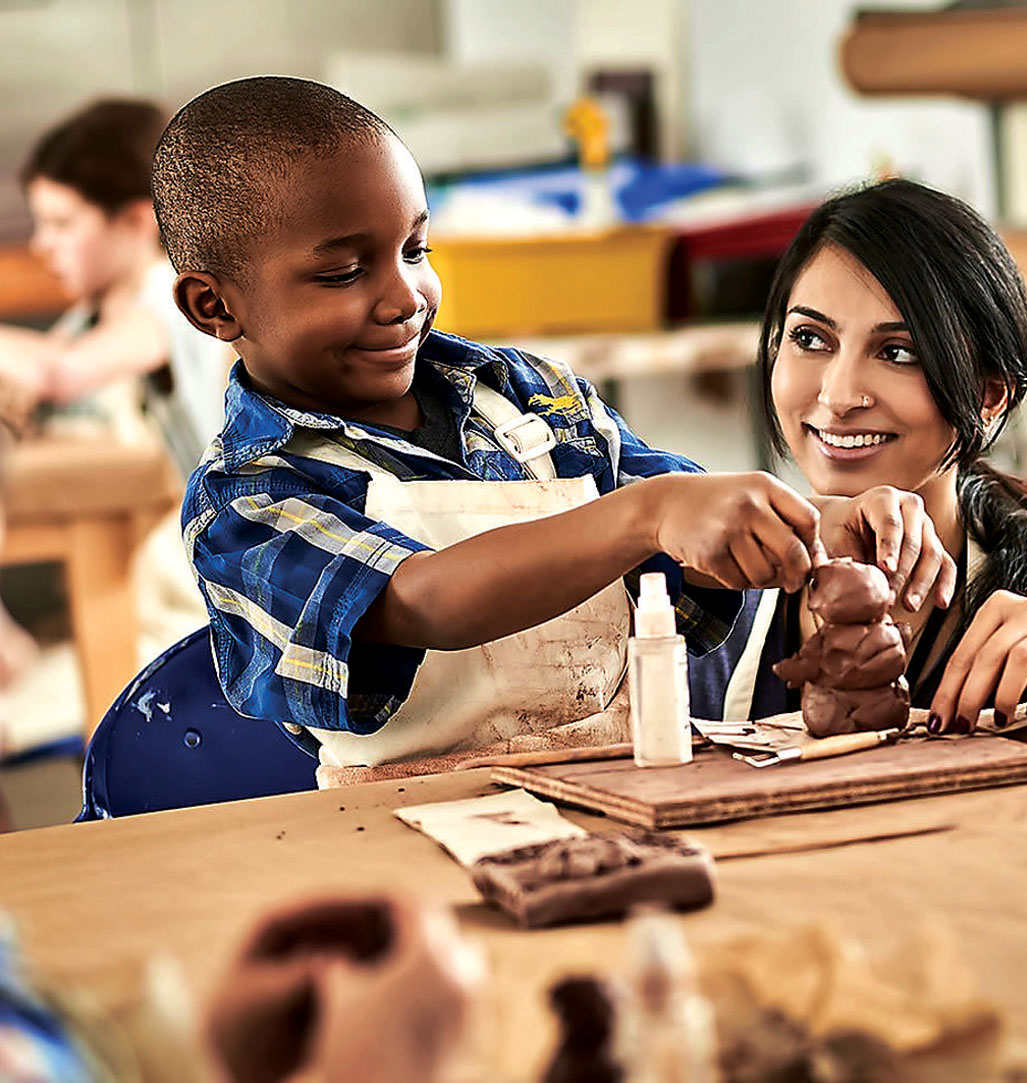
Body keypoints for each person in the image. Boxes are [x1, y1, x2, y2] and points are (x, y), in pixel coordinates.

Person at [153, 77, 955, 768]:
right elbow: (420, 603)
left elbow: (685, 545)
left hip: (628, 788)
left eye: (416, 248)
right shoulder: (246, 500)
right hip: (406, 832)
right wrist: (647, 513)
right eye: (341, 272)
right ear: (214, 305)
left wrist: (821, 523)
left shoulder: (529, 395)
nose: (404, 297)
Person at [691, 179, 1027, 733]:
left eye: (897, 352)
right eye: (811, 339)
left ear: (988, 396)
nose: (838, 396)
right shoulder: (706, 576)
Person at [0, 98, 230, 477]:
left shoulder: (174, 299)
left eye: (61, 224)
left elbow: (57, 373)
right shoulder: (86, 318)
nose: (40, 245)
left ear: (137, 220)